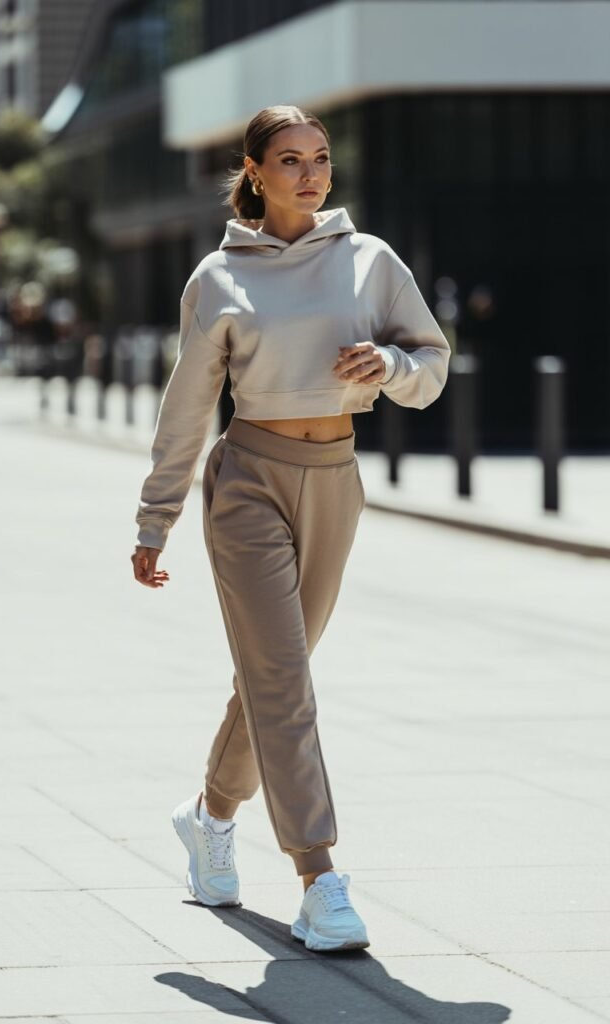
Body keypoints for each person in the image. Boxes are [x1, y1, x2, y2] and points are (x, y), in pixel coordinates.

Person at [131, 104, 451, 953]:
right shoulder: (219, 277)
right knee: (285, 684)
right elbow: (189, 405)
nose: (311, 173)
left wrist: (389, 366)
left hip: (335, 481)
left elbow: (432, 362)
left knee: (276, 676)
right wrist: (155, 518)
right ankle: (320, 877)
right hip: (248, 486)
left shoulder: (371, 261)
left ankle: (208, 818)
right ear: (255, 171)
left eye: (321, 157)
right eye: (290, 159)